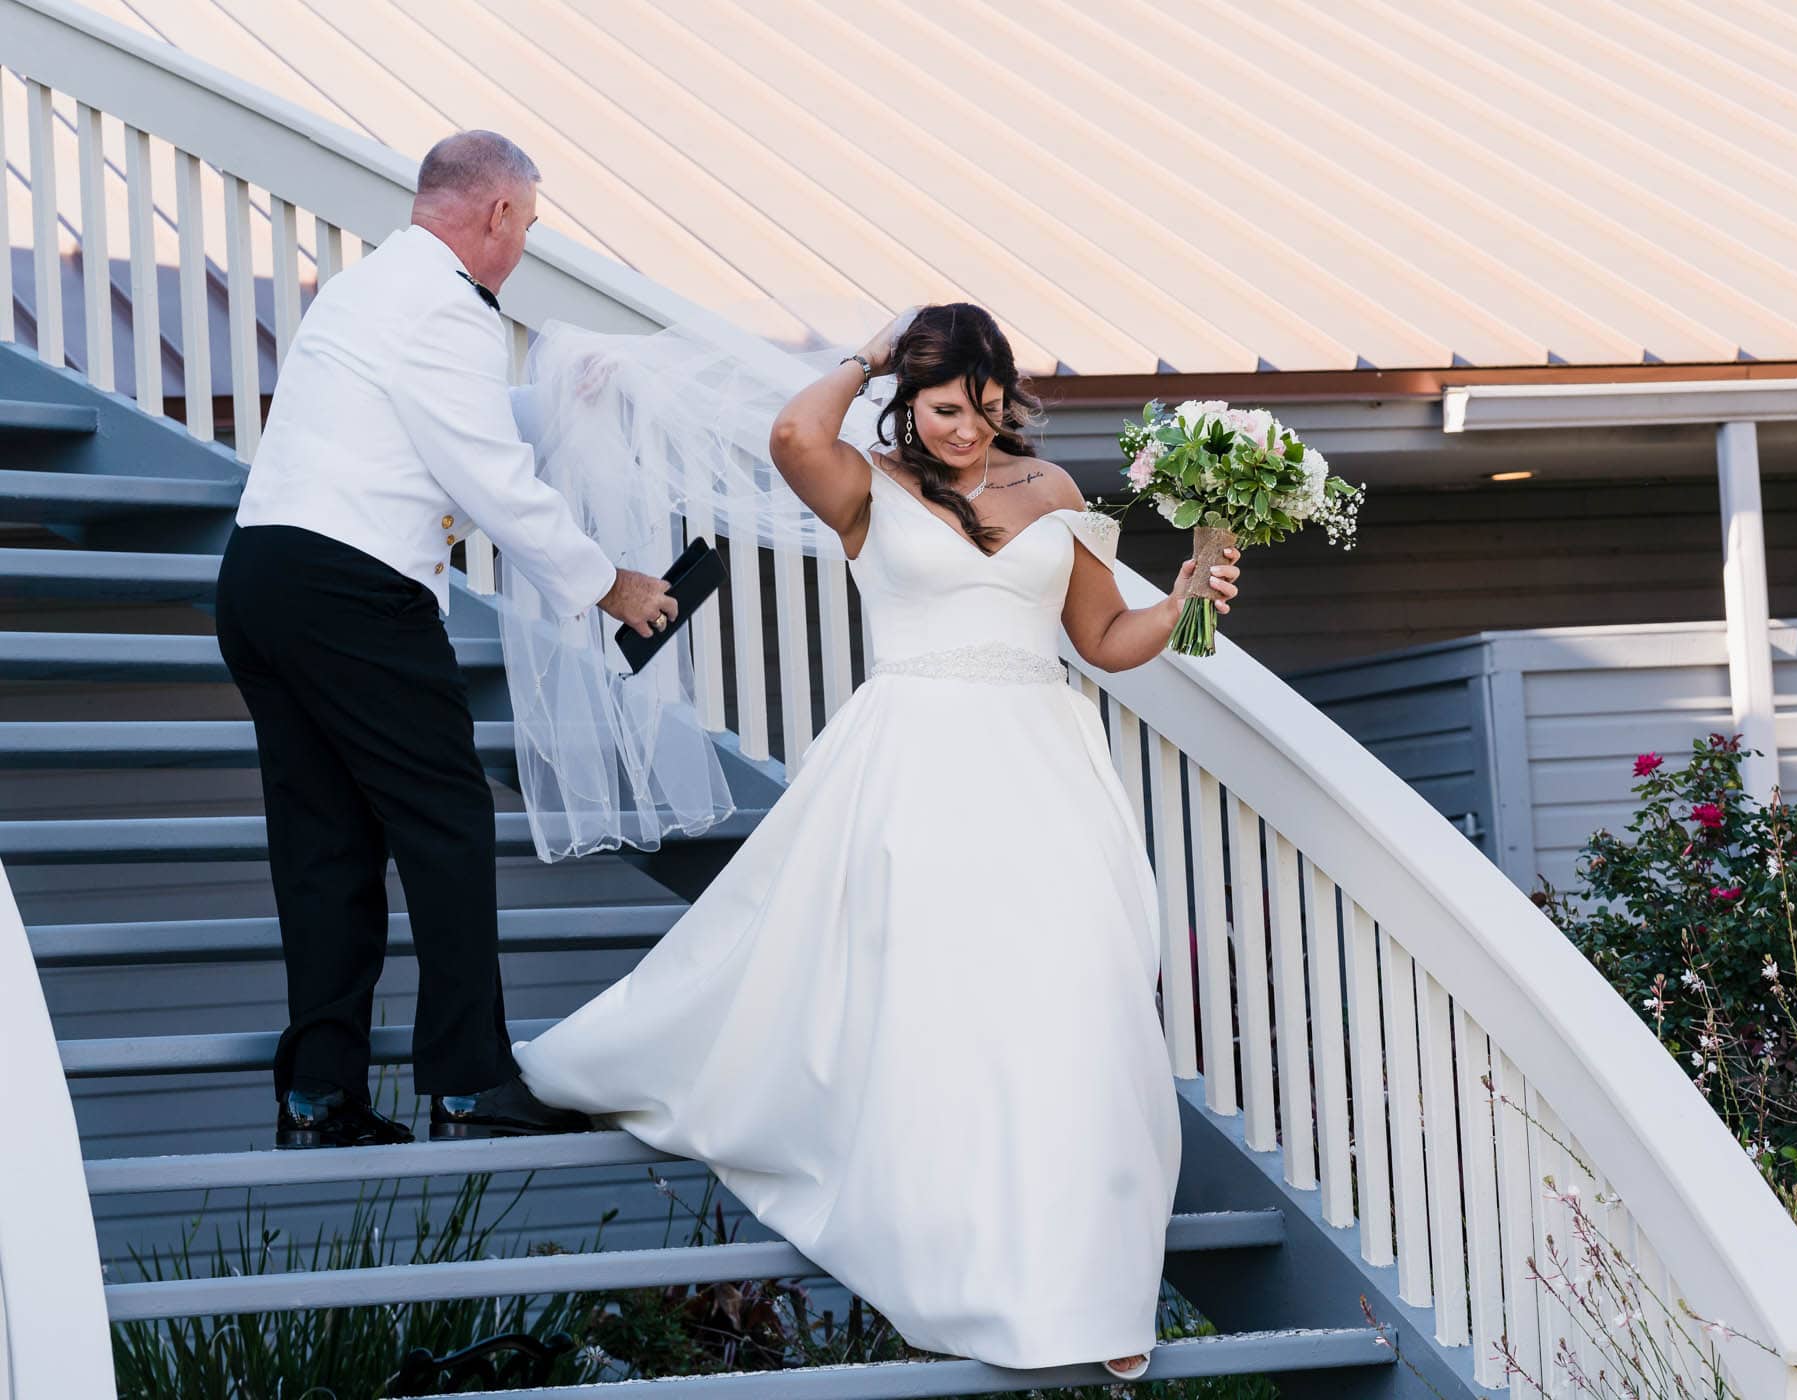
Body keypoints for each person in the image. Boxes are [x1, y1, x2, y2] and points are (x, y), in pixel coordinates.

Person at [512, 302, 1242, 1379]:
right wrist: (865, 354)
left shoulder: (1054, 493)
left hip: (1047, 766)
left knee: (1078, 1005)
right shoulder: (866, 482)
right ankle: (963, 1268)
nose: (967, 431)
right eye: (947, 407)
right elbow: (791, 437)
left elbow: (1102, 640)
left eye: (988, 409)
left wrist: (1190, 604)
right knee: (947, 1016)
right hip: (916, 766)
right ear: (910, 396)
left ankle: (1083, 1289)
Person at [216, 131, 680, 1149]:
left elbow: (439, 422)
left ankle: (318, 1095)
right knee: (447, 822)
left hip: (261, 577)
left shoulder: (369, 286)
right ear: (498, 214)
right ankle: (468, 1081)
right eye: (528, 224)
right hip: (354, 591)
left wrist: (558, 405)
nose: (523, 249)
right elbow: (485, 474)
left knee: (326, 841)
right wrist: (610, 583)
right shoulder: (448, 309)